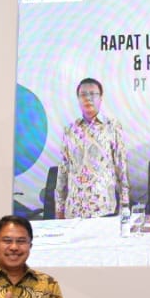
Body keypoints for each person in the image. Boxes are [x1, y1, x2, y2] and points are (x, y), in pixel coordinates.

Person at [55, 77, 129, 219]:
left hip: (104, 209)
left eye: (93, 94)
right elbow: (63, 170)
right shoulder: (70, 130)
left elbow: (122, 168)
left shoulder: (112, 127)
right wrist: (59, 207)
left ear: (100, 98)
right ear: (78, 99)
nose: (88, 98)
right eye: (83, 94)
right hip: (74, 210)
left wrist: (125, 205)